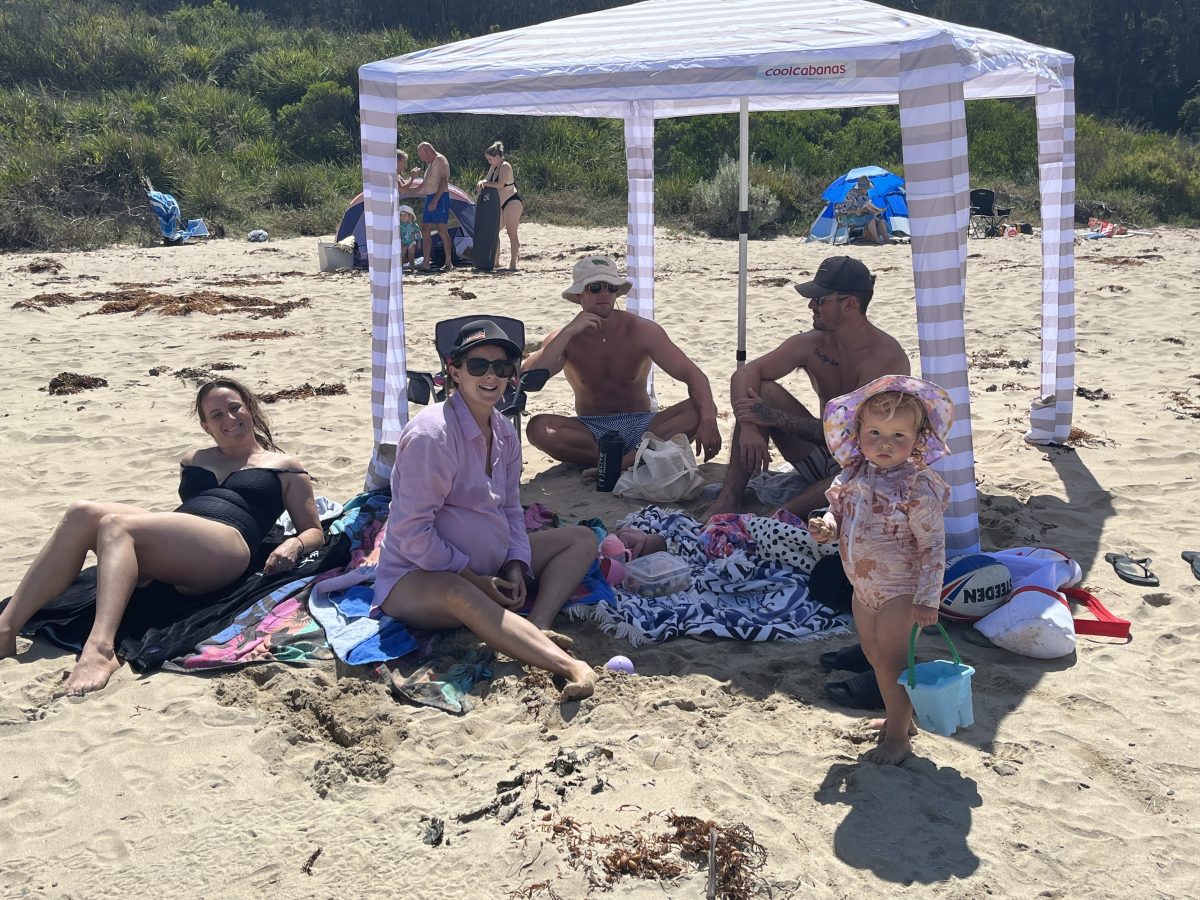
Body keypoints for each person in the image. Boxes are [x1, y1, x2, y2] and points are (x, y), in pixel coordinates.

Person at [0, 379, 322, 695]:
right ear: (206, 425)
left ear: (250, 409)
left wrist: (294, 543)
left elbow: (314, 532)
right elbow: (187, 512)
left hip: (229, 545)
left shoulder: (284, 467)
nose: (229, 419)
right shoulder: (194, 459)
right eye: (217, 415)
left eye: (234, 408)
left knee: (116, 525)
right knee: (81, 512)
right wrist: (159, 554)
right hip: (191, 537)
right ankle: (7, 627)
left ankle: (100, 649)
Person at [374, 319, 598, 702]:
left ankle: (539, 623)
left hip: (488, 569)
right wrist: (474, 578)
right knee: (460, 595)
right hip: (419, 578)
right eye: (478, 365)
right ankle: (569, 666)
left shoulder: (505, 431)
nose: (491, 375)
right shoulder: (433, 436)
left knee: (581, 539)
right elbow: (412, 533)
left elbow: (511, 508)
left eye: (502, 366)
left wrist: (515, 563)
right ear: (455, 371)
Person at [807, 375, 954, 765]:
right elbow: (839, 514)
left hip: (901, 589)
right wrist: (827, 525)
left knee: (892, 661)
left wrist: (927, 599)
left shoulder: (916, 487)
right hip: (863, 585)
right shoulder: (854, 474)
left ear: (918, 439)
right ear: (857, 431)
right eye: (875, 432)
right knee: (873, 654)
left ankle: (898, 738)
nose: (885, 444)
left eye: (898, 436)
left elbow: (934, 546)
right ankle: (898, 718)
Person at [703, 255, 909, 520]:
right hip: (821, 454)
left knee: (869, 465)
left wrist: (776, 418)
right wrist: (751, 427)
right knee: (762, 391)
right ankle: (729, 498)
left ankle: (776, 517)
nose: (812, 305)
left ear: (849, 304)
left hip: (861, 462)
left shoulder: (886, 360)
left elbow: (856, 439)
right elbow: (746, 374)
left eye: (821, 300)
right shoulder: (812, 343)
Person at [523, 255, 721, 472]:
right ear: (579, 294)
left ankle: (616, 464)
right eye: (595, 287)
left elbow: (694, 375)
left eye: (612, 287)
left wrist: (709, 420)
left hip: (644, 426)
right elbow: (527, 380)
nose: (605, 294)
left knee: (701, 407)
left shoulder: (642, 330)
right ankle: (625, 460)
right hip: (591, 429)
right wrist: (568, 332)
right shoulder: (565, 338)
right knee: (538, 428)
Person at [476, 141, 523, 271]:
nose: (489, 162)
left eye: (490, 159)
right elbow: (486, 180)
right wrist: (481, 183)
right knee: (493, 231)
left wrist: (485, 184)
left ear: (497, 157)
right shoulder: (494, 167)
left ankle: (513, 263)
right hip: (499, 203)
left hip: (512, 202)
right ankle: (495, 261)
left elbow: (500, 185)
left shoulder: (505, 166)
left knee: (511, 233)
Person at [414, 141, 454, 272]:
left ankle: (448, 262)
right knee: (425, 229)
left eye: (421, 155)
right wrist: (406, 190)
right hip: (430, 197)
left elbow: (444, 181)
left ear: (427, 151)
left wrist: (436, 200)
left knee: (442, 229)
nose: (421, 158)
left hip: (440, 197)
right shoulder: (430, 165)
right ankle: (426, 262)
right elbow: (423, 185)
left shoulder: (440, 160)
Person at [836, 175, 889, 245]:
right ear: (861, 187)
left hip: (859, 216)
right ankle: (877, 239)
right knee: (870, 217)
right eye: (866, 188)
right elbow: (843, 210)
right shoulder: (851, 194)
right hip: (848, 217)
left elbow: (867, 204)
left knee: (880, 220)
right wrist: (856, 211)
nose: (867, 189)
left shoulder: (865, 193)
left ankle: (887, 240)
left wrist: (877, 210)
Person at [398, 204, 420, 272]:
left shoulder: (414, 224)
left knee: (411, 256)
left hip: (412, 242)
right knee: (402, 256)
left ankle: (412, 269)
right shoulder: (400, 225)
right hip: (403, 242)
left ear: (410, 216)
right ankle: (400, 269)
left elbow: (418, 232)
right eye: (401, 215)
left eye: (405, 215)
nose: (403, 217)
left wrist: (419, 241)